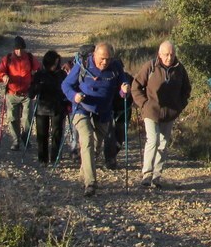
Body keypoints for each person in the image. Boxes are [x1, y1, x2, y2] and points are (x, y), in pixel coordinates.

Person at [61, 42, 132, 197]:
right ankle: (91, 183)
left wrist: (124, 89)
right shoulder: (83, 65)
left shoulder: (115, 68)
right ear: (94, 55)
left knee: (96, 146)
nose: (105, 62)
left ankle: (84, 173)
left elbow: (122, 88)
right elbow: (66, 85)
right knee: (86, 140)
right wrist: (75, 96)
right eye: (102, 58)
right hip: (82, 109)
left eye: (108, 59)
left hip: (104, 112)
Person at [132, 40, 192, 188]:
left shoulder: (179, 69)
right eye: (166, 54)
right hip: (151, 111)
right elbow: (136, 86)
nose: (169, 58)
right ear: (159, 54)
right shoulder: (150, 67)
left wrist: (179, 106)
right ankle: (147, 174)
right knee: (153, 140)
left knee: (163, 144)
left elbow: (186, 90)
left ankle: (156, 176)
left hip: (170, 113)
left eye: (171, 54)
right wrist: (144, 104)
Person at [0, 35, 40, 151]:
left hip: (27, 94)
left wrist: (37, 79)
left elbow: (39, 69)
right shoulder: (7, 59)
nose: (19, 51)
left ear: (24, 48)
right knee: (12, 118)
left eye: (21, 48)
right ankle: (16, 140)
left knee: (28, 118)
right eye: (17, 49)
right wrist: (3, 76)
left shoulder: (29, 58)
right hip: (12, 93)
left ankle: (25, 136)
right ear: (14, 49)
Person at [28, 50, 67, 166]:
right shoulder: (39, 75)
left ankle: (55, 158)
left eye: (57, 63)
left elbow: (67, 89)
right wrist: (37, 87)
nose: (55, 66)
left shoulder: (62, 74)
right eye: (53, 63)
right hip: (42, 108)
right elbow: (30, 94)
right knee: (42, 135)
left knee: (57, 133)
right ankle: (42, 159)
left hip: (58, 107)